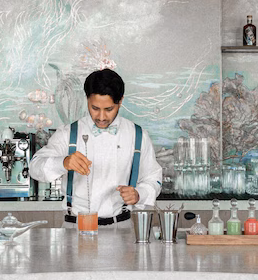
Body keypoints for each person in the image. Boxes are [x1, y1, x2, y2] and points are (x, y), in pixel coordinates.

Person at [30, 69, 163, 225]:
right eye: (95, 108)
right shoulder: (68, 133)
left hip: (122, 227)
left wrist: (139, 194)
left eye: (108, 109)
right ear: (87, 99)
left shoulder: (137, 135)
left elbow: (153, 177)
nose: (101, 117)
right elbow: (35, 167)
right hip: (75, 226)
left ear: (120, 101)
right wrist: (63, 162)